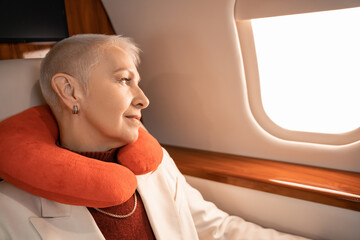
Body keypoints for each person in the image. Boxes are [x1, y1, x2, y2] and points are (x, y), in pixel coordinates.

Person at [0, 34, 309, 240]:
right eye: (124, 80)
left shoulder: (153, 167)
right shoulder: (10, 209)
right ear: (70, 91)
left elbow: (217, 228)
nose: (143, 99)